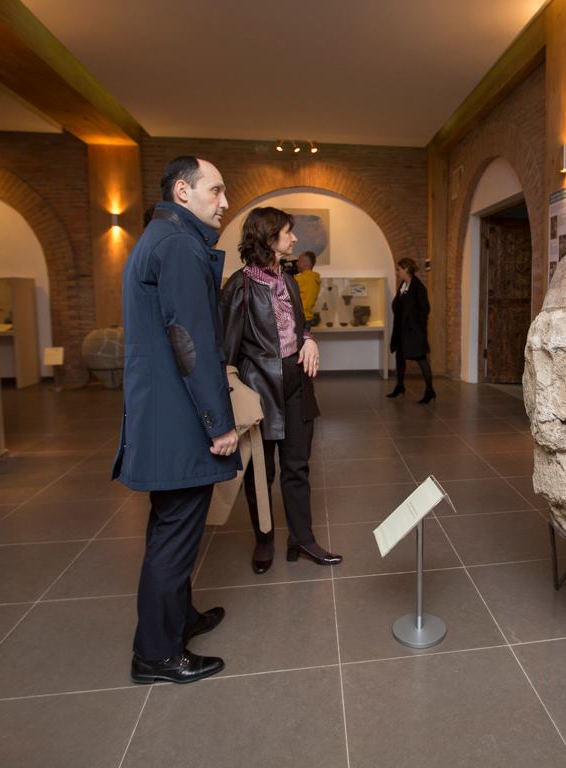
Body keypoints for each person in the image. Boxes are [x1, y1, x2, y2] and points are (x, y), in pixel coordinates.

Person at [113, 156, 239, 685]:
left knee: (173, 525)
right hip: (179, 417)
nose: (225, 202)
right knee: (175, 535)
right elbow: (191, 342)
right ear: (183, 192)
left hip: (162, 411)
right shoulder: (180, 246)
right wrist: (220, 422)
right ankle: (157, 654)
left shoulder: (159, 237)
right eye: (217, 190)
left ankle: (179, 619)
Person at [220, 207, 342, 574]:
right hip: (258, 390)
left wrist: (309, 339)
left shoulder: (287, 280)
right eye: (288, 232)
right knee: (261, 472)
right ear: (269, 237)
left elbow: (300, 325)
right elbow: (225, 351)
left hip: (296, 385)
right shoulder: (239, 286)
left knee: (297, 466)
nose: (294, 239)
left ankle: (302, 539)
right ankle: (264, 539)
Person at [387, 257, 435, 403]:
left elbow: (425, 309)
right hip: (402, 330)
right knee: (400, 357)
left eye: (399, 269)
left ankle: (430, 391)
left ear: (406, 269)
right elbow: (398, 305)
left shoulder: (418, 287)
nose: (397, 272)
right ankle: (400, 386)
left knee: (421, 359)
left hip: (414, 332)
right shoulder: (403, 285)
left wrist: (416, 326)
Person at [293, 250, 321, 324]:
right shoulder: (314, 278)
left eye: (299, 261)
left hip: (299, 318)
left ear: (306, 263)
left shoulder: (302, 279)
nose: (296, 263)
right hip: (307, 317)